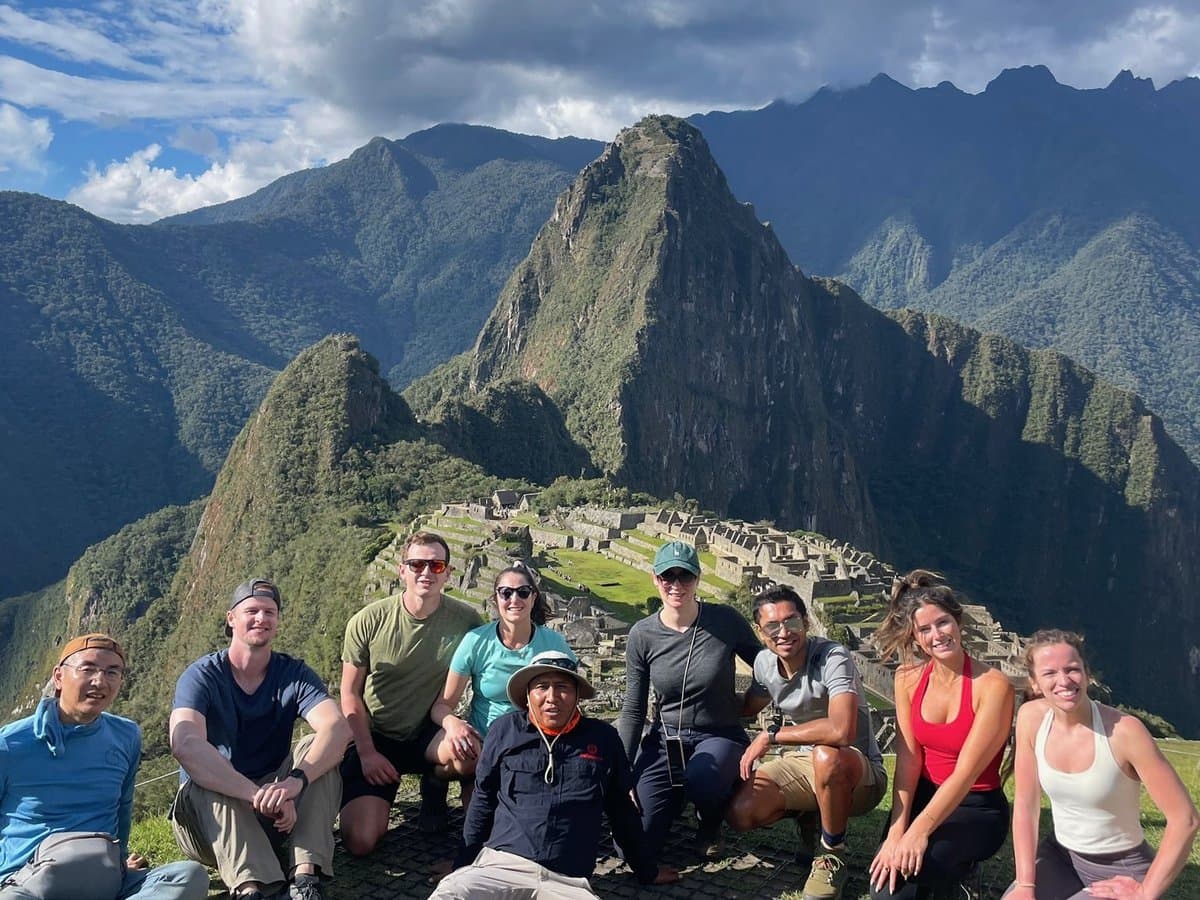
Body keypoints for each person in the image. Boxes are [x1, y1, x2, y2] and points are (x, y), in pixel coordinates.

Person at [430, 651, 678, 898]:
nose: (552, 697)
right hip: (500, 866)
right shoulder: (504, 731)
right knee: (451, 892)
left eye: (562, 687)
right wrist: (462, 864)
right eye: (542, 687)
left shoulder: (603, 738)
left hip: (567, 881)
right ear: (527, 695)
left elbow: (621, 809)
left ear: (577, 695)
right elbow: (482, 801)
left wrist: (647, 870)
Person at [169, 579, 351, 900]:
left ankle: (305, 877)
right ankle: (251, 888)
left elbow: (337, 728)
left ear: (278, 620)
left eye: (269, 612)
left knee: (317, 747)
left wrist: (294, 783)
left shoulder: (293, 674)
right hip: (209, 824)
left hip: (273, 814)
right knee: (206, 770)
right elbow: (184, 743)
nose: (261, 618)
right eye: (251, 611)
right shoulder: (201, 676)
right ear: (231, 618)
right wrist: (257, 796)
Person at [0, 634, 209, 900]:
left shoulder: (126, 735)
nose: (100, 681)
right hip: (29, 883)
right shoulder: (11, 744)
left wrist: (119, 862)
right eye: (88, 669)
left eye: (112, 672)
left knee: (189, 876)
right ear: (59, 677)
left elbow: (123, 807)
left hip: (104, 878)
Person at [1005, 629, 1199, 900]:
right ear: (1034, 683)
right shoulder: (1031, 718)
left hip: (1122, 867)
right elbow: (1026, 805)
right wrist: (1025, 884)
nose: (1064, 681)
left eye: (1072, 669)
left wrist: (1145, 893)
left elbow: (1185, 819)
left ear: (1087, 674)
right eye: (1049, 673)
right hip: (1061, 857)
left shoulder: (1124, 732)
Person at [728, 585, 888, 900]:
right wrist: (699, 691)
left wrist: (771, 736)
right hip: (807, 763)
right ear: (760, 632)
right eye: (772, 626)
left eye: (791, 621)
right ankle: (809, 816)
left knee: (827, 755)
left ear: (806, 622)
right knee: (741, 813)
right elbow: (747, 706)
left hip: (859, 772)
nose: (783, 632)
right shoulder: (764, 664)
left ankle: (832, 854)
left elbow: (841, 731)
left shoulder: (832, 656)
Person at [867, 570, 1014, 900]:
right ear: (915, 637)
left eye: (943, 623)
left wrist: (919, 831)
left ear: (958, 622)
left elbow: (966, 773)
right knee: (884, 890)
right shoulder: (907, 679)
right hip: (925, 793)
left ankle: (961, 874)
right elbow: (908, 760)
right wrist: (896, 831)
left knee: (908, 879)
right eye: (925, 629)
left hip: (974, 804)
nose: (937, 635)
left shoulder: (993, 686)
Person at [616, 540, 762, 860]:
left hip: (719, 734)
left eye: (685, 576)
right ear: (655, 579)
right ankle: (672, 800)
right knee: (632, 845)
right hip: (667, 739)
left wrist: (754, 701)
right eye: (668, 576)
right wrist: (623, 772)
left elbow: (766, 665)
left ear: (697, 579)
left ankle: (709, 821)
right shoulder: (643, 634)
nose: (676, 584)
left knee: (703, 779)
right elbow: (633, 708)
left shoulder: (724, 621)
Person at [338, 531, 482, 855]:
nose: (426, 572)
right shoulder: (369, 621)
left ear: (448, 573)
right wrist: (366, 752)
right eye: (417, 564)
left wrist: (455, 722)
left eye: (436, 565)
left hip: (427, 734)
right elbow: (349, 693)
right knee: (360, 841)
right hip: (377, 736)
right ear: (402, 570)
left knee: (472, 752)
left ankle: (436, 782)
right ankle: (381, 792)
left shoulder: (466, 621)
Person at [429, 564, 574, 805]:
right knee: (471, 770)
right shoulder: (476, 642)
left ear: (533, 597)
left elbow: (572, 696)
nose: (514, 599)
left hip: (536, 740)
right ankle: (436, 780)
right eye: (506, 593)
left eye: (523, 592)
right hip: (484, 742)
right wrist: (454, 724)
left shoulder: (553, 643)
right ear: (496, 599)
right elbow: (441, 705)